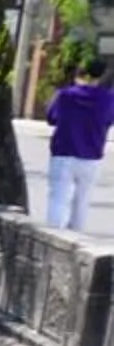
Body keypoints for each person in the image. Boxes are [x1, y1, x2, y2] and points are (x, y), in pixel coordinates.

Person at [44, 46, 112, 234]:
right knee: (82, 203)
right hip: (91, 156)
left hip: (63, 152)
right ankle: (76, 240)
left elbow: (51, 118)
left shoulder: (65, 95)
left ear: (82, 71)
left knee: (58, 199)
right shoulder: (108, 99)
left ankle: (53, 237)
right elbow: (108, 121)